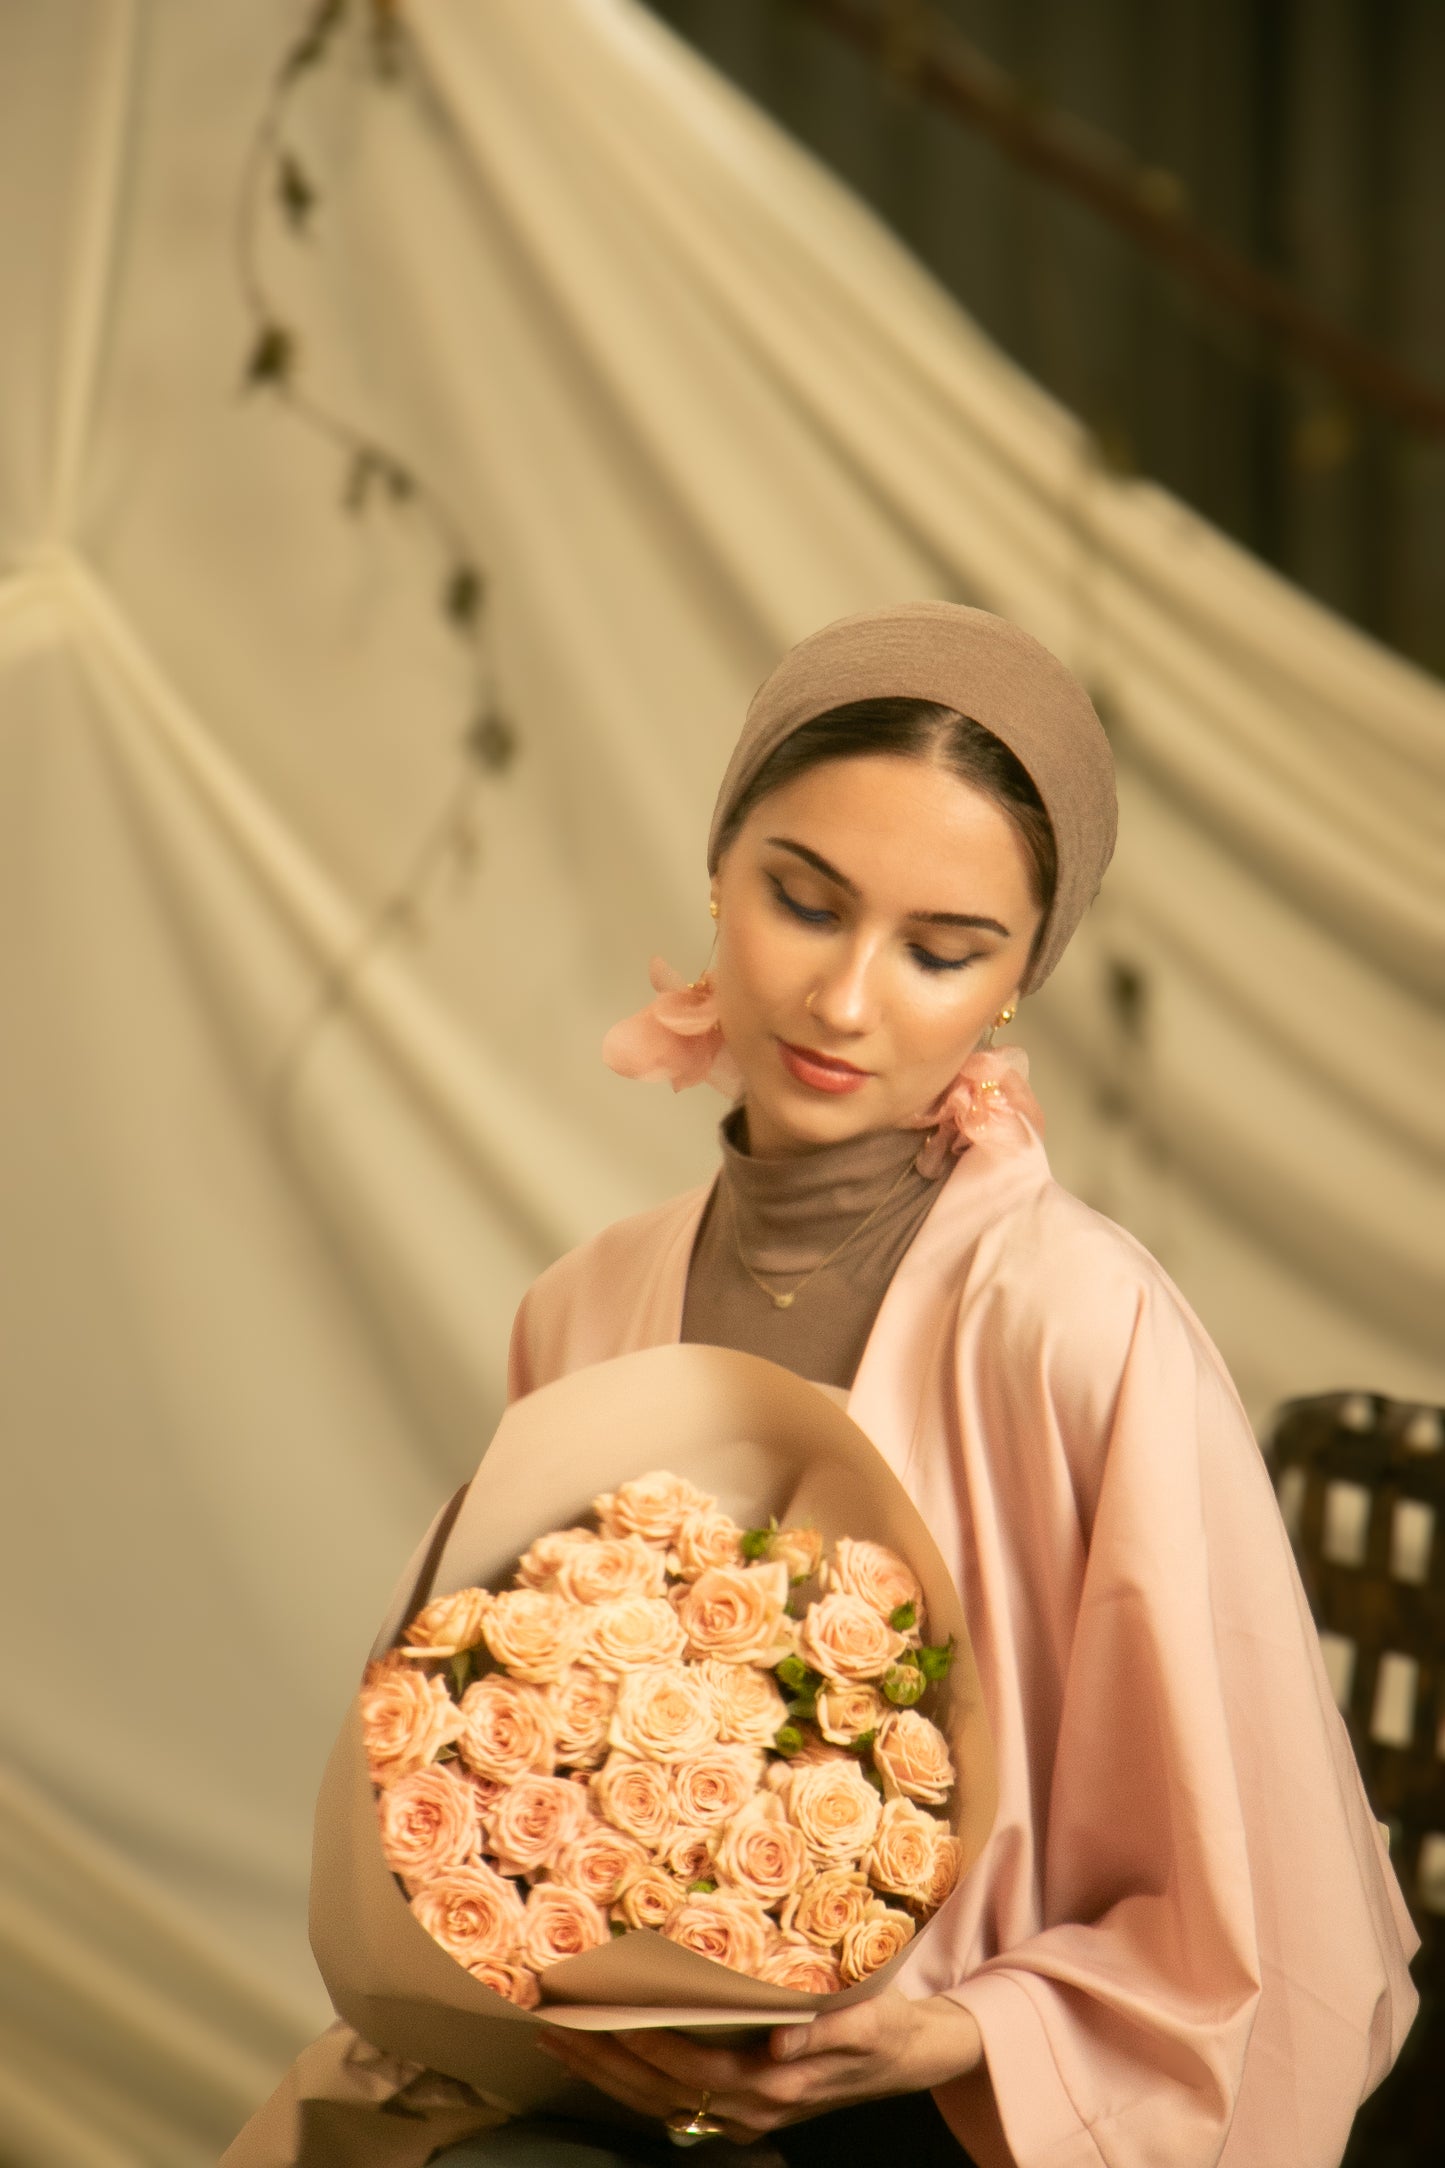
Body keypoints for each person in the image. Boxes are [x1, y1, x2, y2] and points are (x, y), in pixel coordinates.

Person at [233, 602, 1419, 2168]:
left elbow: (1247, 1923)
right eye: (803, 901)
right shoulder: (587, 1304)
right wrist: (583, 1991)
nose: (846, 1000)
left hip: (960, 2119)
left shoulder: (1084, 1329)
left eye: (941, 951)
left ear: (1016, 983)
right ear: (717, 875)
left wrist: (953, 2031)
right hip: (608, 2090)